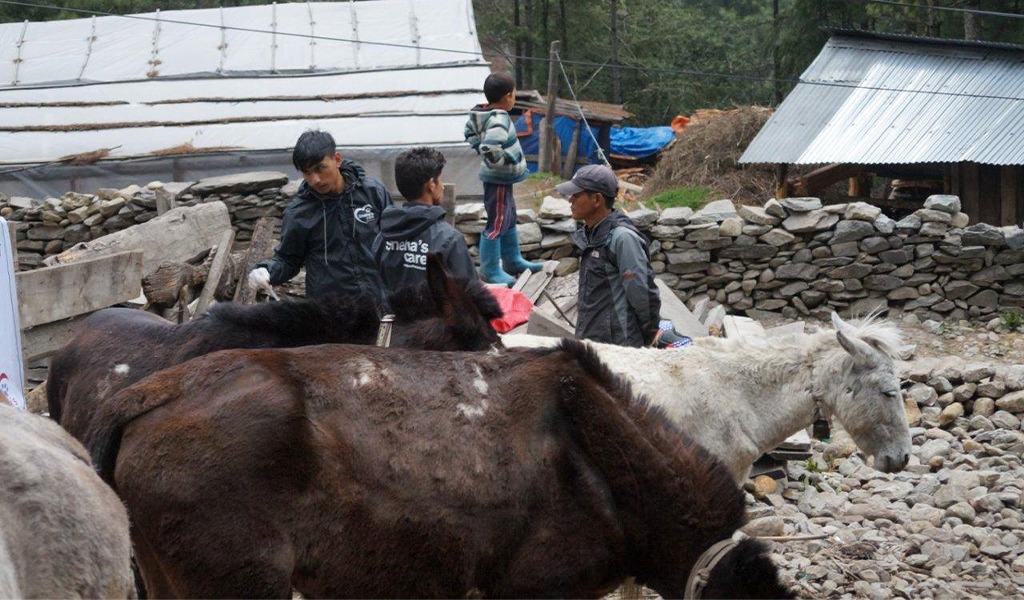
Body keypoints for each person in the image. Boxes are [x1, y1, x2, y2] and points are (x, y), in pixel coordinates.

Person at [247, 130, 392, 302]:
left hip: (379, 302)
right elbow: (288, 260)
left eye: (320, 168)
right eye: (307, 173)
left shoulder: (372, 193)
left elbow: (394, 242)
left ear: (337, 159)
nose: (315, 179)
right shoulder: (299, 213)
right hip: (330, 309)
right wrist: (267, 271)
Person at [556, 165, 661, 348]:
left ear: (597, 199)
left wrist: (645, 338)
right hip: (593, 344)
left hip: (618, 348)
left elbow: (642, 296)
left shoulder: (622, 238)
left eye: (576, 195)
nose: (570, 200)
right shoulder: (591, 234)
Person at [464, 71, 542, 286]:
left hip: (501, 179)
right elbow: (490, 146)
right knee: (497, 221)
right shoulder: (499, 119)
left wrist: (479, 146)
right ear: (508, 96)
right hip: (498, 178)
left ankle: (512, 259)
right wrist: (501, 159)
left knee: (508, 215)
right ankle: (489, 269)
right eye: (514, 94)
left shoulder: (483, 114)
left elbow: (469, 132)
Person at [375, 147, 477, 291]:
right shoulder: (449, 238)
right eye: (441, 180)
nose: (442, 187)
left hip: (393, 307)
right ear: (431, 185)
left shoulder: (382, 237)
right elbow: (470, 293)